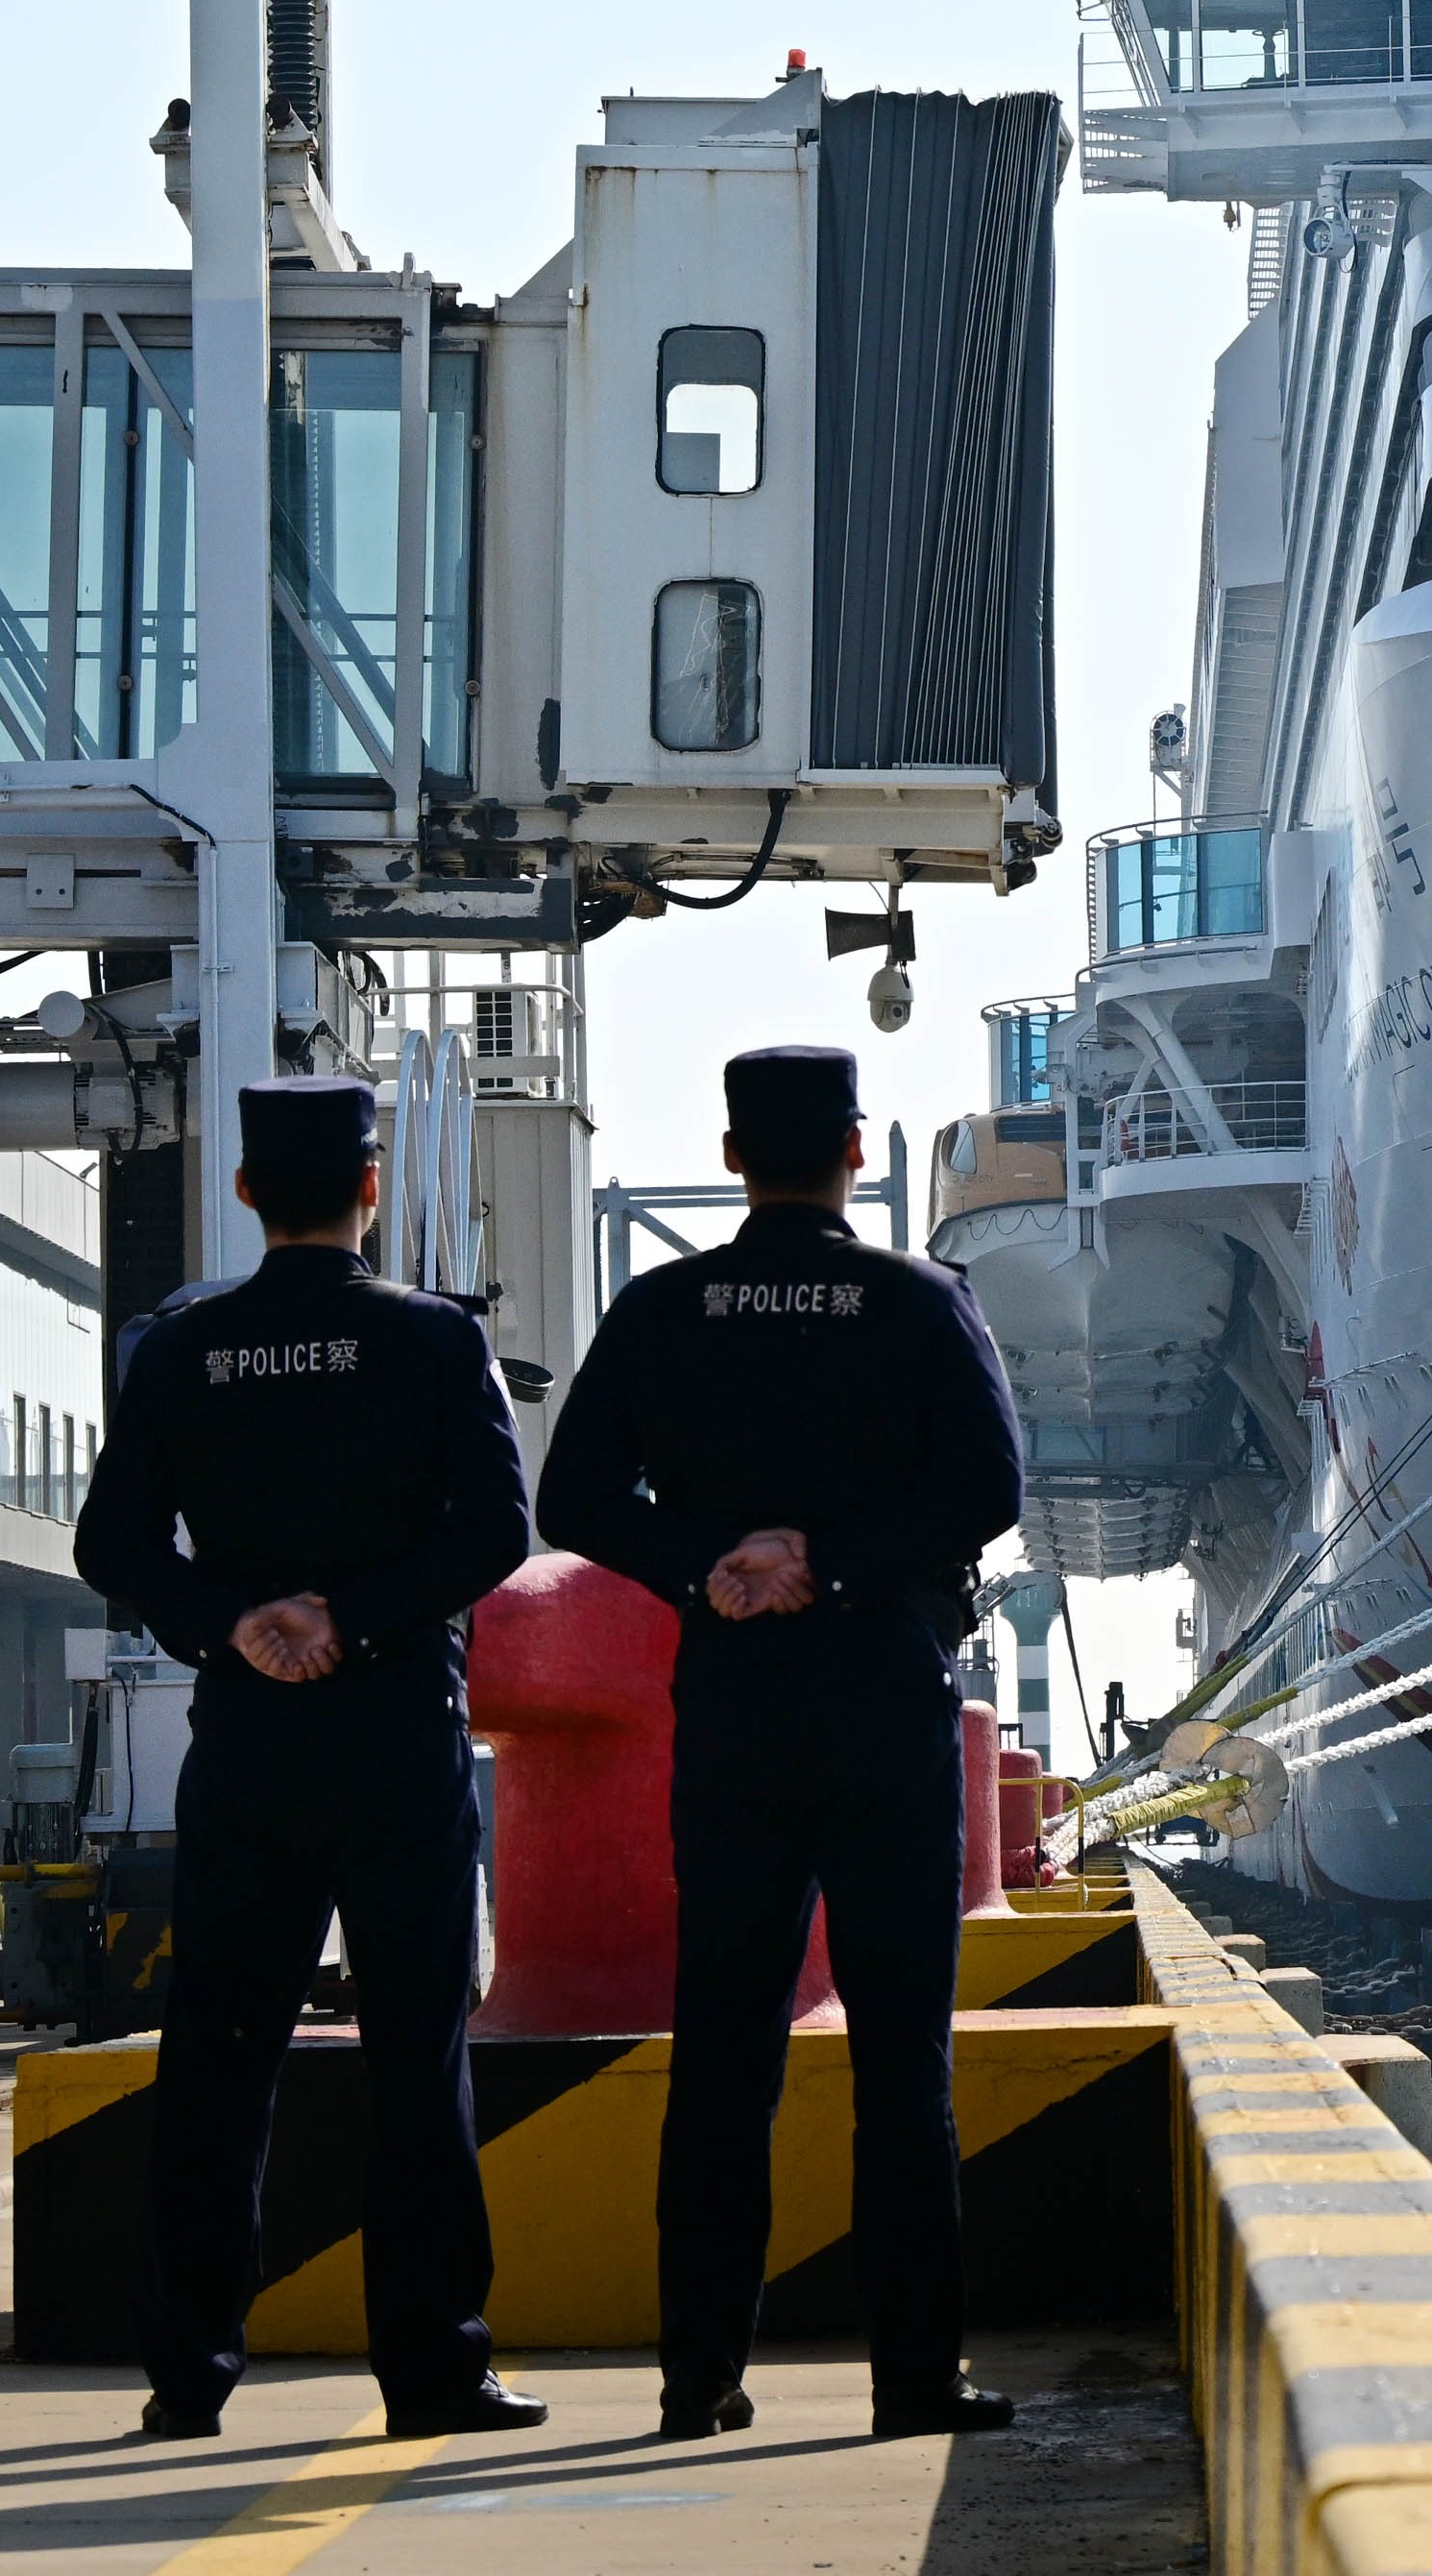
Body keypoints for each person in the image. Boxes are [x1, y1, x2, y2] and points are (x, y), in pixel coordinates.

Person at [535, 1043, 1026, 2443]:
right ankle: (914, 2380)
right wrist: (838, 1560)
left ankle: (698, 2379)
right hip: (883, 1700)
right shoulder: (921, 1299)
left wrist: (715, 1563)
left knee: (723, 2050)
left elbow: (573, 1500)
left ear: (734, 1157)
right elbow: (988, 1488)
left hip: (736, 1706)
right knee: (901, 2056)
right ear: (856, 1152)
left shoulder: (662, 1307)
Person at [74, 1075, 545, 2444]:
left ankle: (187, 2375)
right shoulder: (436, 1342)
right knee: (417, 2059)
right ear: (372, 1188)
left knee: (216, 2061)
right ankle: (435, 2372)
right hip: (395, 1739)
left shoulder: (180, 1350)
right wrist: (358, 1617)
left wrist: (236, 1621)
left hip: (250, 1742)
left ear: (244, 1193)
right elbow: (495, 1533)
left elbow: (112, 1544)